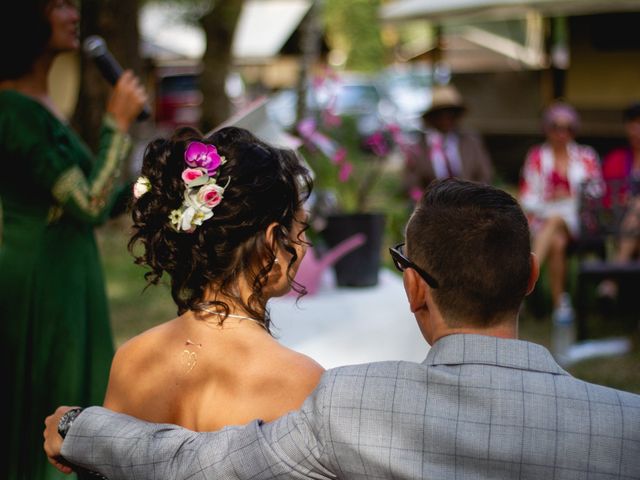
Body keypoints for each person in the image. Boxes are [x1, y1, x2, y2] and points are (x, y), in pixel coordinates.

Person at [44, 179, 640, 479]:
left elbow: (197, 465)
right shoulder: (626, 429)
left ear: (412, 288)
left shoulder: (353, 407)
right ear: (532, 275)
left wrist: (80, 426)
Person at [0, 1, 147, 478]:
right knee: (55, 403)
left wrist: (162, 180)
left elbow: (97, 202)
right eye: (57, 4)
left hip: (70, 272)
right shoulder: (12, 110)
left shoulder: (43, 106)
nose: (72, 11)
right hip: (43, 282)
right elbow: (87, 203)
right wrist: (117, 124)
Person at [103, 125, 322, 433]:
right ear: (273, 242)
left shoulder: (132, 360)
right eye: (301, 229)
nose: (304, 244)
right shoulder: (301, 382)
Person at [519, 101, 602, 321]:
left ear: (574, 130)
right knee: (557, 241)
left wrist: (569, 197)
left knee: (556, 220)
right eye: (556, 126)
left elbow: (596, 192)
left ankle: (521, 284)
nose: (562, 133)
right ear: (547, 128)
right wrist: (550, 201)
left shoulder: (586, 156)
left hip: (577, 217)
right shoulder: (537, 156)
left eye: (568, 128)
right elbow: (527, 198)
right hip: (546, 217)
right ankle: (560, 306)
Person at [403, 84, 493, 201]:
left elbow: (485, 174)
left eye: (450, 113)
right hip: (432, 207)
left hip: (469, 204)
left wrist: (473, 197)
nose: (445, 119)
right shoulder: (419, 147)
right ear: (431, 117)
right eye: (440, 114)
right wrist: (423, 201)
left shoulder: (471, 142)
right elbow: (410, 183)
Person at [597, 102, 640, 300]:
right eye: (632, 123)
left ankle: (612, 278)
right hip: (619, 229)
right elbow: (603, 200)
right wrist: (619, 202)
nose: (636, 129)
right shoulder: (616, 160)